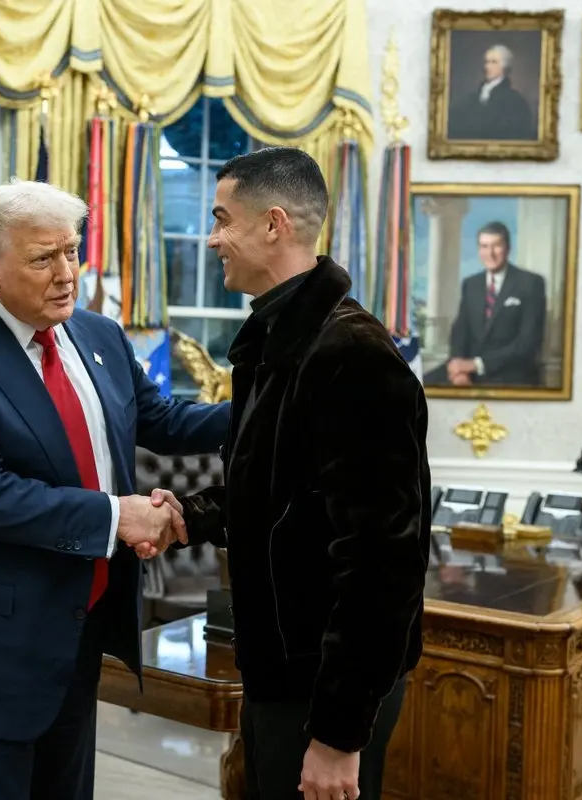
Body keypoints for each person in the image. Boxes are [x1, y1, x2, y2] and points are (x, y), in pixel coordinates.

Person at [0, 179, 230, 800]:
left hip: (74, 626)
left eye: (72, 251)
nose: (67, 273)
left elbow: (164, 421)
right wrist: (114, 517)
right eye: (44, 258)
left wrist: (274, 400)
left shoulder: (97, 335)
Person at [152, 147, 430, 800]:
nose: (211, 237)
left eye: (222, 219)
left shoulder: (352, 355)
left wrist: (338, 734)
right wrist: (189, 516)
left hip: (324, 685)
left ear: (273, 225)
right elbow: (276, 495)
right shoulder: (276, 342)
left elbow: (382, 561)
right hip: (284, 670)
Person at [424, 221, 547, 388]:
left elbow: (528, 343)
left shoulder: (530, 283)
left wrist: (476, 364)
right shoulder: (471, 284)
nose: (490, 253)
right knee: (416, 387)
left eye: (496, 246)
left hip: (510, 372)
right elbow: (460, 331)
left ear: (508, 248)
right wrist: (459, 369)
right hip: (469, 370)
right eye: (484, 246)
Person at [447, 44, 536, 141]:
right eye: (486, 62)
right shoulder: (472, 98)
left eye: (494, 62)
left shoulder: (516, 101)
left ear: (505, 67)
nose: (487, 66)